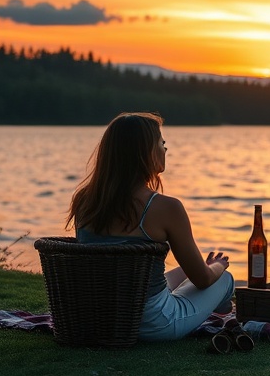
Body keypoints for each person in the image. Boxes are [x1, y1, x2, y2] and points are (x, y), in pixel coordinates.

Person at [66, 112, 234, 341]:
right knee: (224, 279)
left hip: (97, 318)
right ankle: (225, 313)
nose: (166, 149)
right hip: (151, 325)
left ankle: (217, 308)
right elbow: (203, 280)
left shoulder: (84, 201)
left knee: (186, 271)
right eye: (162, 143)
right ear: (145, 152)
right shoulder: (167, 208)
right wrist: (218, 266)